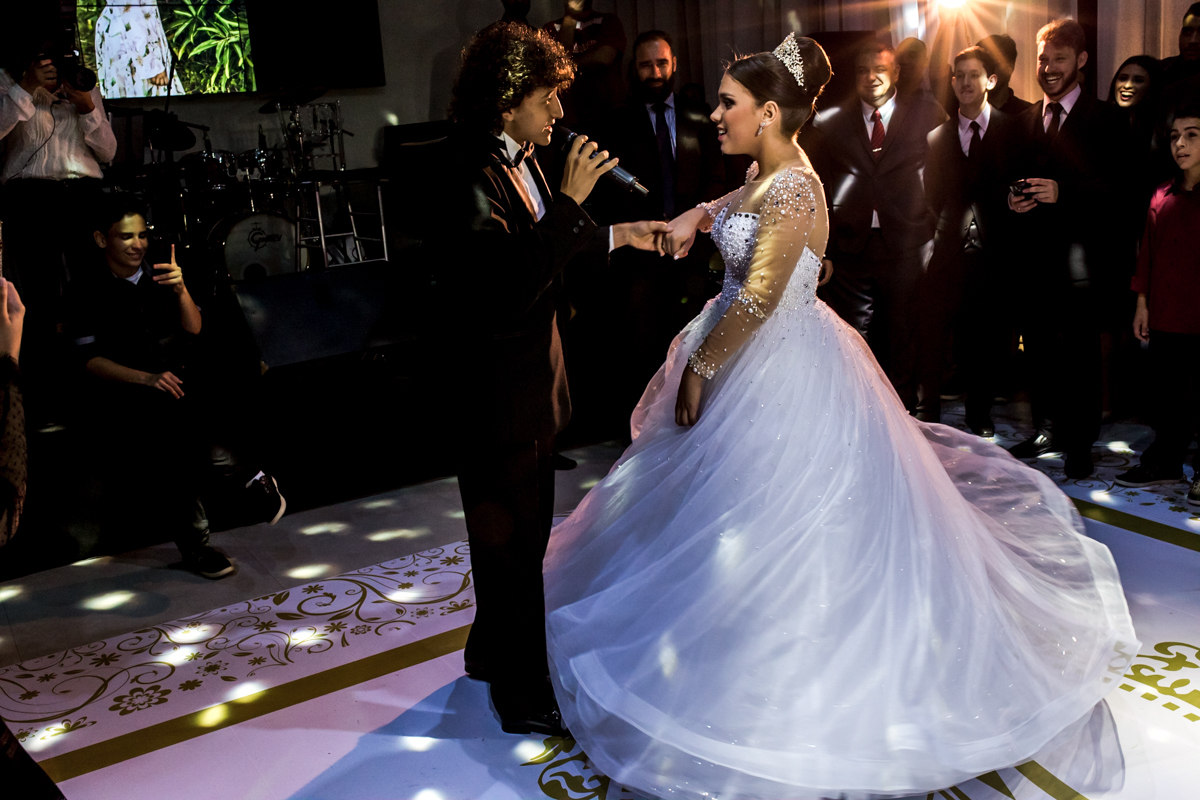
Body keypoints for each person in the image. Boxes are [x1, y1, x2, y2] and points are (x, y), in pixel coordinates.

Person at [543, 33, 1137, 800]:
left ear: (767, 113)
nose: (714, 114)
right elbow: (738, 205)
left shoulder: (795, 186)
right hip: (757, 357)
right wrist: (697, 213)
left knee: (784, 523)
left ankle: (783, 677)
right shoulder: (765, 173)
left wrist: (701, 367)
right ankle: (713, 641)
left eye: (728, 103)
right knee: (718, 524)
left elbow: (760, 295)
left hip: (777, 368)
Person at [429, 21, 667, 737]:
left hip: (530, 387)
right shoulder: (463, 172)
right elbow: (506, 285)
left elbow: (548, 250)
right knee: (509, 547)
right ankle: (521, 693)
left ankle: (488, 651)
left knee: (519, 542)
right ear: (506, 101)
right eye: (546, 98)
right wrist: (569, 203)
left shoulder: (524, 156)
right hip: (493, 395)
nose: (560, 112)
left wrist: (621, 233)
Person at [68, 197, 286, 580]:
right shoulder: (85, 289)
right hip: (125, 388)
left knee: (185, 427)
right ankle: (248, 481)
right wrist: (146, 378)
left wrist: (182, 289)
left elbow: (195, 329)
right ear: (102, 240)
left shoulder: (161, 274)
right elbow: (88, 361)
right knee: (172, 444)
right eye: (126, 237)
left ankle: (213, 528)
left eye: (142, 235)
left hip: (177, 379)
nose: (138, 245)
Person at [1005, 19, 1130, 479]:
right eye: (1043, 59)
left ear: (1081, 60)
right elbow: (1003, 180)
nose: (1049, 68)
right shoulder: (1021, 122)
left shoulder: (1109, 120)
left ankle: (1079, 443)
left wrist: (1065, 193)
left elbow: (1123, 193)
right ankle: (1046, 430)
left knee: (1080, 357)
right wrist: (1010, 200)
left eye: (1059, 59)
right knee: (1037, 351)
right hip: (1032, 263)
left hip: (1084, 266)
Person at [591, 29, 727, 425]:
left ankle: (688, 425)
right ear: (634, 69)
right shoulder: (616, 121)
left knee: (690, 341)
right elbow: (607, 191)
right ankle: (642, 429)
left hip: (693, 253)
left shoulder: (701, 116)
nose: (654, 72)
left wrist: (694, 226)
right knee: (641, 346)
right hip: (639, 258)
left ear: (674, 64)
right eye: (646, 65)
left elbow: (716, 178)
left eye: (661, 63)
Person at [809, 40, 948, 413]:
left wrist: (933, 228)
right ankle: (862, 415)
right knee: (853, 338)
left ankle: (905, 418)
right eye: (863, 70)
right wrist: (824, 248)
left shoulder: (928, 114)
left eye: (880, 70)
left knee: (904, 335)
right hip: (850, 248)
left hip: (909, 245)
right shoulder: (830, 120)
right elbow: (819, 187)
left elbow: (946, 175)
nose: (871, 77)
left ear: (896, 73)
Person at [0, 34, 117, 426]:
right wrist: (25, 88)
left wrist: (87, 108)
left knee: (91, 291)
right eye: (44, 57)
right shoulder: (8, 82)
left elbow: (109, 152)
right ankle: (44, 397)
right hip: (30, 194)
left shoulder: (81, 82)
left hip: (83, 193)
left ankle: (99, 386)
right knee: (39, 297)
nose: (53, 65)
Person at [917, 45, 1016, 435]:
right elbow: (932, 197)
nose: (965, 82)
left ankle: (980, 413)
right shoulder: (937, 137)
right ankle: (928, 411)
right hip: (948, 253)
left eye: (974, 74)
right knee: (934, 332)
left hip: (996, 254)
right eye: (959, 75)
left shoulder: (1014, 130)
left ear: (990, 80)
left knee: (987, 338)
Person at [1114, 107, 1200, 507]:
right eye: (1174, 137)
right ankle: (1165, 460)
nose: (1180, 144)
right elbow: (1147, 254)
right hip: (1166, 311)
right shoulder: (1161, 194)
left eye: (1192, 135)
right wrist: (1142, 304)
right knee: (1167, 395)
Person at [543, 0, 626, 132]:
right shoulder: (550, 28)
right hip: (569, 117)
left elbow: (603, 58)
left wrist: (567, 67)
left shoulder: (608, 21)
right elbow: (557, 62)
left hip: (609, 116)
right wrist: (570, 17)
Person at [93, 0, 184, 98]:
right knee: (143, 99)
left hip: (118, 29)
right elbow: (130, 10)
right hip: (132, 41)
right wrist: (154, 66)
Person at [977, 34, 1034, 114]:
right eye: (981, 65)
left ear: (1010, 67)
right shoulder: (964, 111)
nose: (986, 70)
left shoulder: (1029, 114)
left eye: (993, 62)